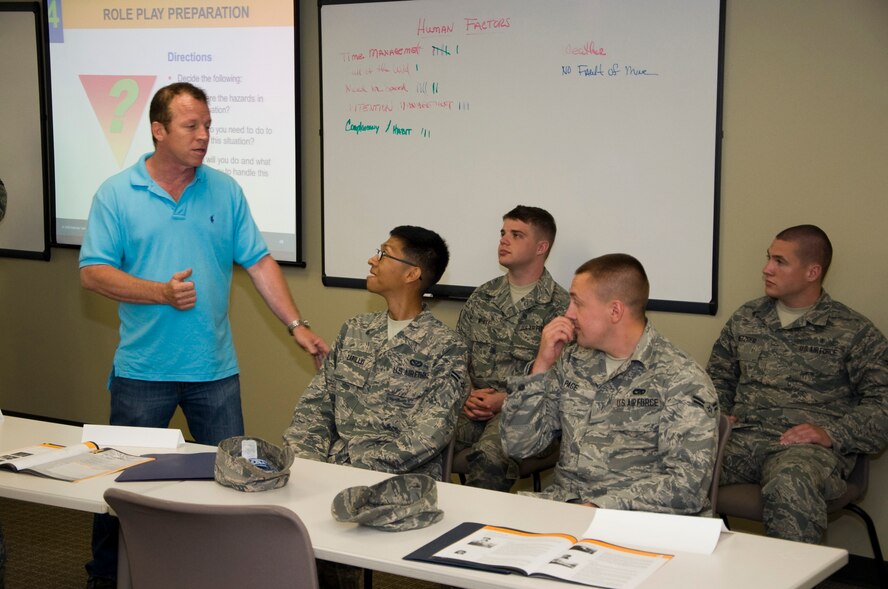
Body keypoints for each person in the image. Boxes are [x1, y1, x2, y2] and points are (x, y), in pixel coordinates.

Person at [78, 82, 329, 589]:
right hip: (142, 373)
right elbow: (93, 273)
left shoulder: (224, 190)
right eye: (191, 126)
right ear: (158, 130)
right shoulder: (116, 193)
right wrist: (159, 292)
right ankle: (105, 579)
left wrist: (296, 325)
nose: (203, 136)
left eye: (208, 126)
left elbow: (258, 262)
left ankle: (227, 575)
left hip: (214, 371)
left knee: (234, 487)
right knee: (119, 492)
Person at [284, 226, 467, 589]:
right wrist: (304, 460)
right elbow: (316, 405)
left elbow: (431, 434)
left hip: (395, 485)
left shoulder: (446, 346)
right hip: (332, 471)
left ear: (412, 274)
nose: (373, 259)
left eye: (384, 254)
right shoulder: (354, 329)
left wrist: (352, 470)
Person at [707, 224, 888, 543]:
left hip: (805, 450)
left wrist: (833, 434)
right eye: (768, 258)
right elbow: (718, 379)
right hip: (744, 438)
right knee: (678, 459)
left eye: (780, 261)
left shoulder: (853, 332)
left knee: (791, 482)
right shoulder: (746, 319)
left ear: (812, 271)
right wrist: (719, 416)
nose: (766, 269)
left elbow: (882, 404)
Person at [501, 254, 719, 513]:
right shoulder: (572, 360)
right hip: (566, 508)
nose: (568, 314)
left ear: (615, 311)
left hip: (635, 523)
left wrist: (597, 508)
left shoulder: (680, 378)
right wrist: (540, 367)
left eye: (577, 303)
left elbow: (687, 487)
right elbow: (518, 445)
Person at [454, 205, 568, 490]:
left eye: (516, 235)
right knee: (417, 435)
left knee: (491, 456)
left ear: (541, 247)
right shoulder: (483, 296)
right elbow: (456, 358)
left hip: (526, 415)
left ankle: (477, 529)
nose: (504, 240)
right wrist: (468, 393)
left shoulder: (562, 307)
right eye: (503, 233)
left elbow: (566, 380)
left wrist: (504, 400)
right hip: (472, 406)